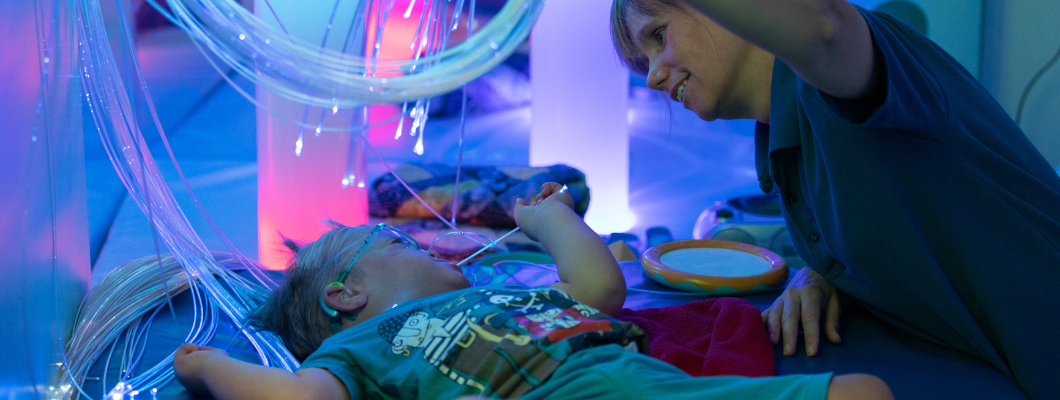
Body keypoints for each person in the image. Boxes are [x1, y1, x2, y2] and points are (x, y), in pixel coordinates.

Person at [609, 1, 1060, 399]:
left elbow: (823, 31)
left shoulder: (853, 66)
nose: (651, 77)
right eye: (641, 62)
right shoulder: (784, 142)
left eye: (659, 36)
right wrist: (823, 274)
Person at [173, 183, 893, 400]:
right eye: (398, 243)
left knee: (863, 393)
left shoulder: (495, 299)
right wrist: (204, 366)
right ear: (348, 295)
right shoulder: (361, 348)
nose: (420, 243)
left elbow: (598, 289)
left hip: (636, 382)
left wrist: (554, 222)